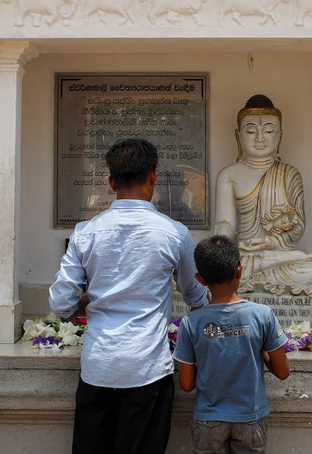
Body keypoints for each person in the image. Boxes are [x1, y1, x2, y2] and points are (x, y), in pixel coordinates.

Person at [49, 138, 208, 454]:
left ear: (110, 182)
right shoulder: (174, 233)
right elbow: (197, 296)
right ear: (153, 176)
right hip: (147, 369)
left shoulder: (85, 233)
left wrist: (89, 300)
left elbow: (59, 304)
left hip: (98, 368)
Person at [213, 94, 312, 297]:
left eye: (269, 131)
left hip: (280, 253)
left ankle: (255, 276)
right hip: (244, 254)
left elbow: (297, 227)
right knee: (216, 267)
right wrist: (217, 253)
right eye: (250, 131)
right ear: (238, 136)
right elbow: (225, 223)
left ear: (280, 135)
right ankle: (252, 274)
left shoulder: (290, 174)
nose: (259, 138)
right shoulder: (228, 175)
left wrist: (270, 242)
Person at [173, 235, 290, 454]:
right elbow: (283, 371)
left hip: (208, 421)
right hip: (250, 419)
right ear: (240, 270)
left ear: (200, 279)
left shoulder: (191, 323)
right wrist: (260, 351)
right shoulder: (262, 315)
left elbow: (187, 384)